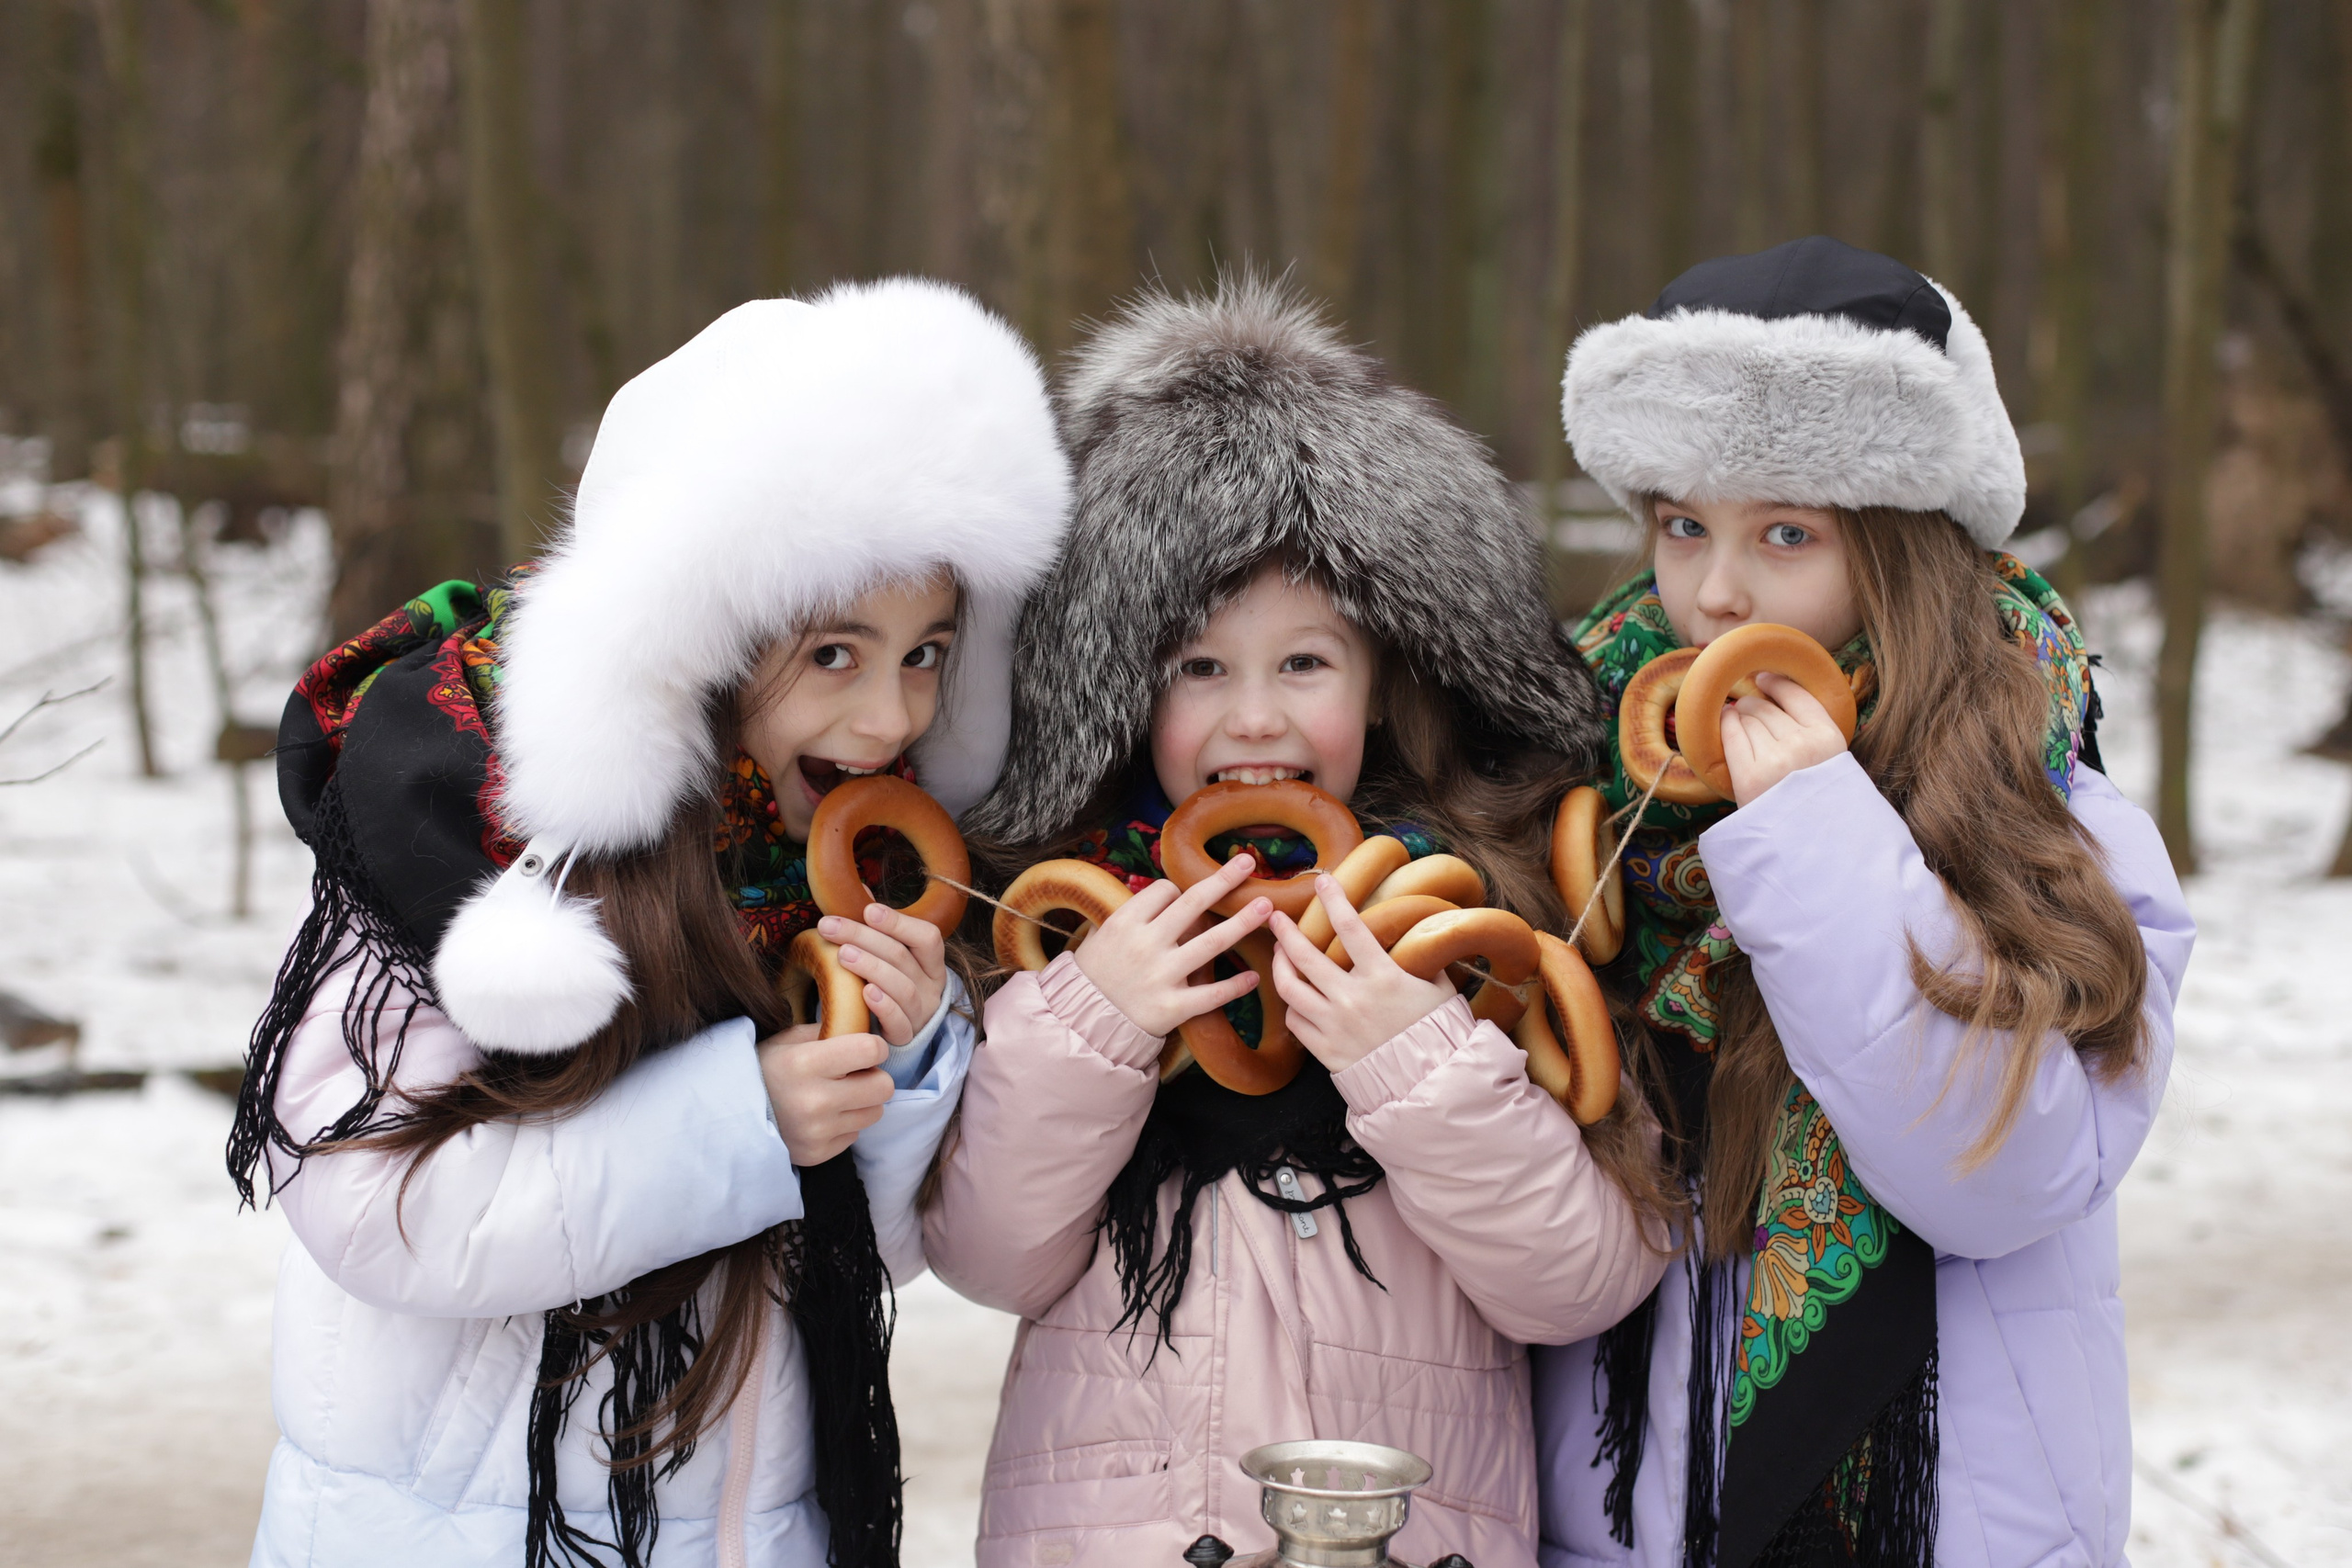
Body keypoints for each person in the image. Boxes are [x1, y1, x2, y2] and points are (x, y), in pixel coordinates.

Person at [229, 278, 1070, 1568]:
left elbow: (859, 1264)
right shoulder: (458, 840)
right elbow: (374, 1210)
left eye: (927, 653)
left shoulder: (829, 875)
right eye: (837, 654)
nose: (894, 719)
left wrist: (896, 1076)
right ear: (698, 635)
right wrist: (744, 1120)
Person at [928, 279, 1676, 1568]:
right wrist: (1098, 1021)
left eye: (1305, 665)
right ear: (1116, 699)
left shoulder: (1493, 931)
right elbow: (987, 1253)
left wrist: (1415, 1056)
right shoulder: (1060, 935)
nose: (1255, 718)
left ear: (1385, 684)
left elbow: (1582, 1279)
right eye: (1199, 669)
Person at [1533, 236, 2194, 1568]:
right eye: (1683, 526)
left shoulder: (2058, 825)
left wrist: (1814, 842)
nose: (1716, 591)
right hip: (1628, 1525)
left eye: (1787, 534)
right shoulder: (1581, 802)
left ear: (1902, 550)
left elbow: (2004, 1176)